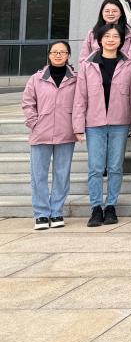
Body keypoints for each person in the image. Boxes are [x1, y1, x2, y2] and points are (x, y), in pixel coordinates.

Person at [73, 23, 131, 227]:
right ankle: (95, 208)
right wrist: (78, 126)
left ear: (121, 41)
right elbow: (80, 97)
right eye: (107, 36)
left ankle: (111, 206)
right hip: (94, 123)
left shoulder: (128, 64)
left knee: (115, 167)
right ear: (99, 40)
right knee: (95, 167)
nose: (111, 40)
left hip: (120, 122)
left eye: (115, 36)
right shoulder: (87, 65)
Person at [22, 41, 77, 230]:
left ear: (68, 55)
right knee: (38, 175)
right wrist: (34, 123)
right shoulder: (36, 79)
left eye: (63, 52)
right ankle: (41, 214)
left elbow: (80, 103)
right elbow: (28, 103)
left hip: (66, 132)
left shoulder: (76, 79)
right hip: (41, 133)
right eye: (55, 52)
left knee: (62, 175)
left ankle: (57, 212)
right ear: (49, 54)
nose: (58, 55)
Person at [79, 0, 131, 64]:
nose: (110, 14)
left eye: (114, 11)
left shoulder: (130, 34)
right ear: (102, 13)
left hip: (123, 69)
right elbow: (83, 59)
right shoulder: (92, 33)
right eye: (107, 11)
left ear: (121, 13)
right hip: (96, 69)